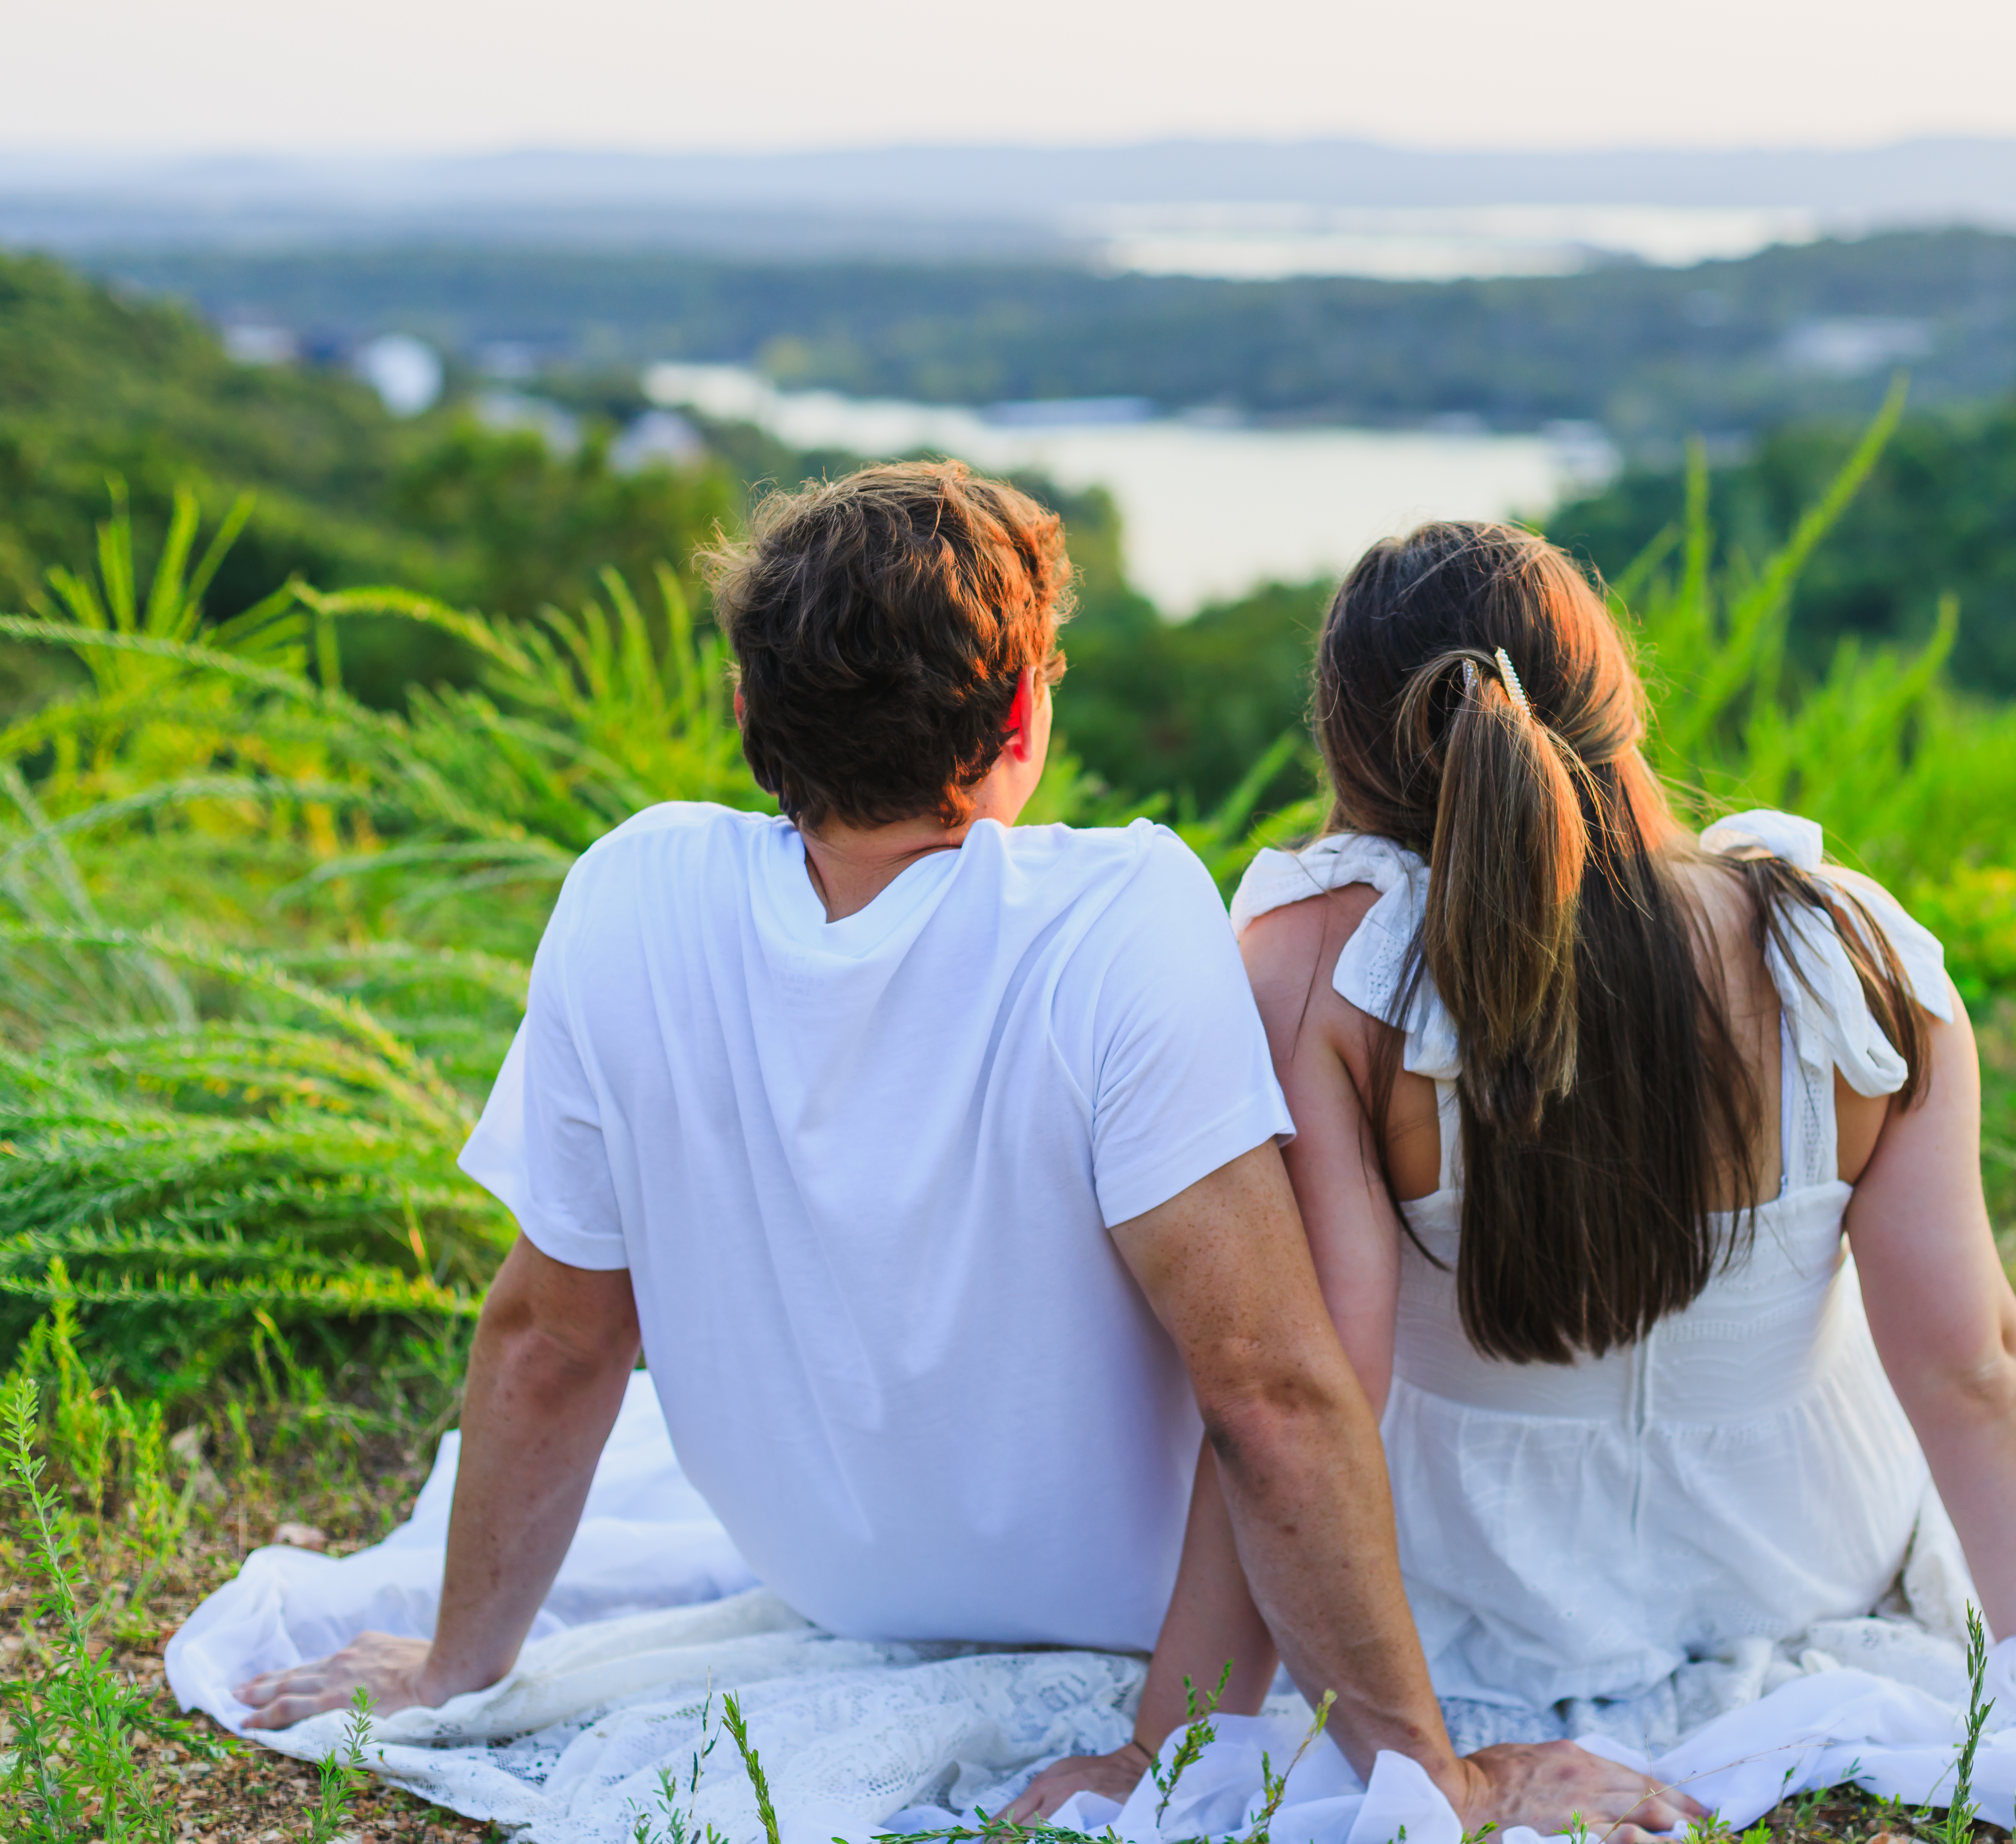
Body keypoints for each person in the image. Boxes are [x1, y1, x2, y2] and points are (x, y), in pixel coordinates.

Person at [230, 466, 1698, 1837]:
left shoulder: (633, 895)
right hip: (1130, 1604)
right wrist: (1433, 1776)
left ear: (747, 713)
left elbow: (554, 1339)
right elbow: (1267, 1393)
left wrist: (456, 1668)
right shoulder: (1116, 918)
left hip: (833, 1580)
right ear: (1015, 720)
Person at [1021, 519, 2016, 1803]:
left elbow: (1303, 1393)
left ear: (1352, 743)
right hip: (1801, 1561)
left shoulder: (1325, 972)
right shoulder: (1850, 955)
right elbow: (1972, 1365)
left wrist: (1165, 1746)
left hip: (1471, 1598)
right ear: (1617, 699)